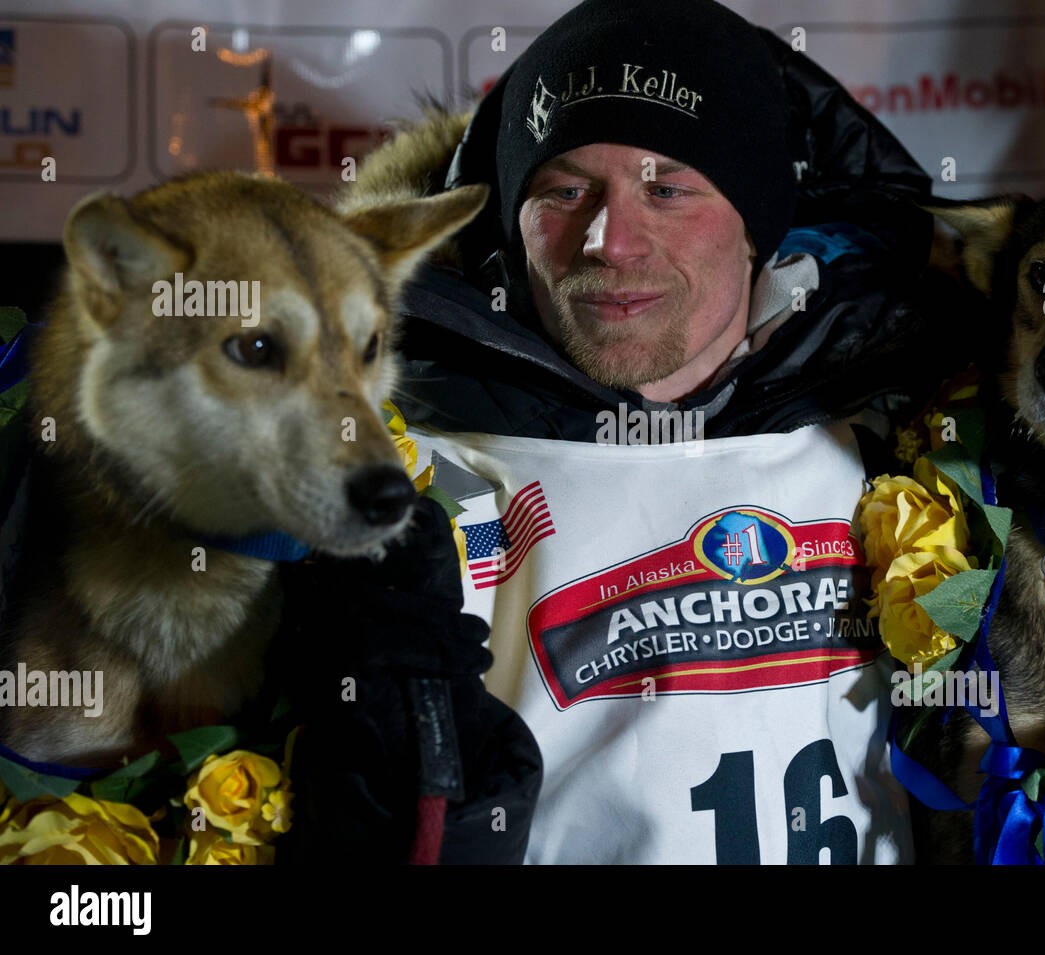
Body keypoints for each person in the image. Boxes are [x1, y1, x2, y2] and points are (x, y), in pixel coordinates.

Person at [280, 0, 987, 865]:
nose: (610, 241)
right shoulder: (412, 473)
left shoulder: (908, 427)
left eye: (667, 188)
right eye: (566, 190)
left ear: (757, 222)